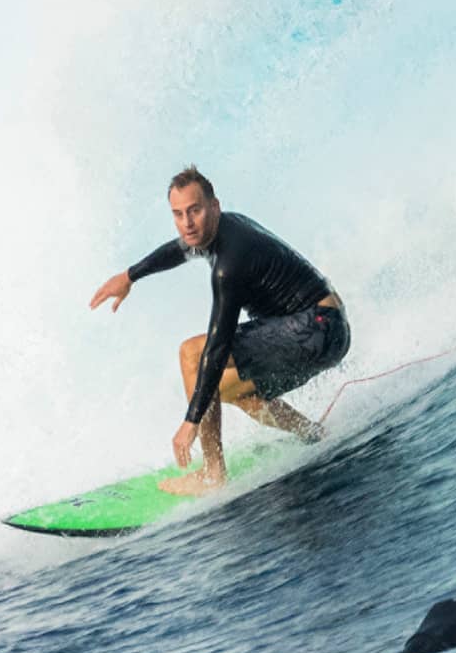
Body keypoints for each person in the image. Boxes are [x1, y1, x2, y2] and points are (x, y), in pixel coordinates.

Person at [89, 166, 351, 494]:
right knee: (227, 390)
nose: (187, 223)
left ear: (215, 207)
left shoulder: (231, 262)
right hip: (324, 330)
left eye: (195, 211)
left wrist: (191, 421)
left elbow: (218, 344)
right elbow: (178, 250)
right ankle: (311, 432)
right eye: (178, 214)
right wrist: (130, 275)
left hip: (317, 326)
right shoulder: (219, 229)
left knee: (192, 353)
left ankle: (213, 473)